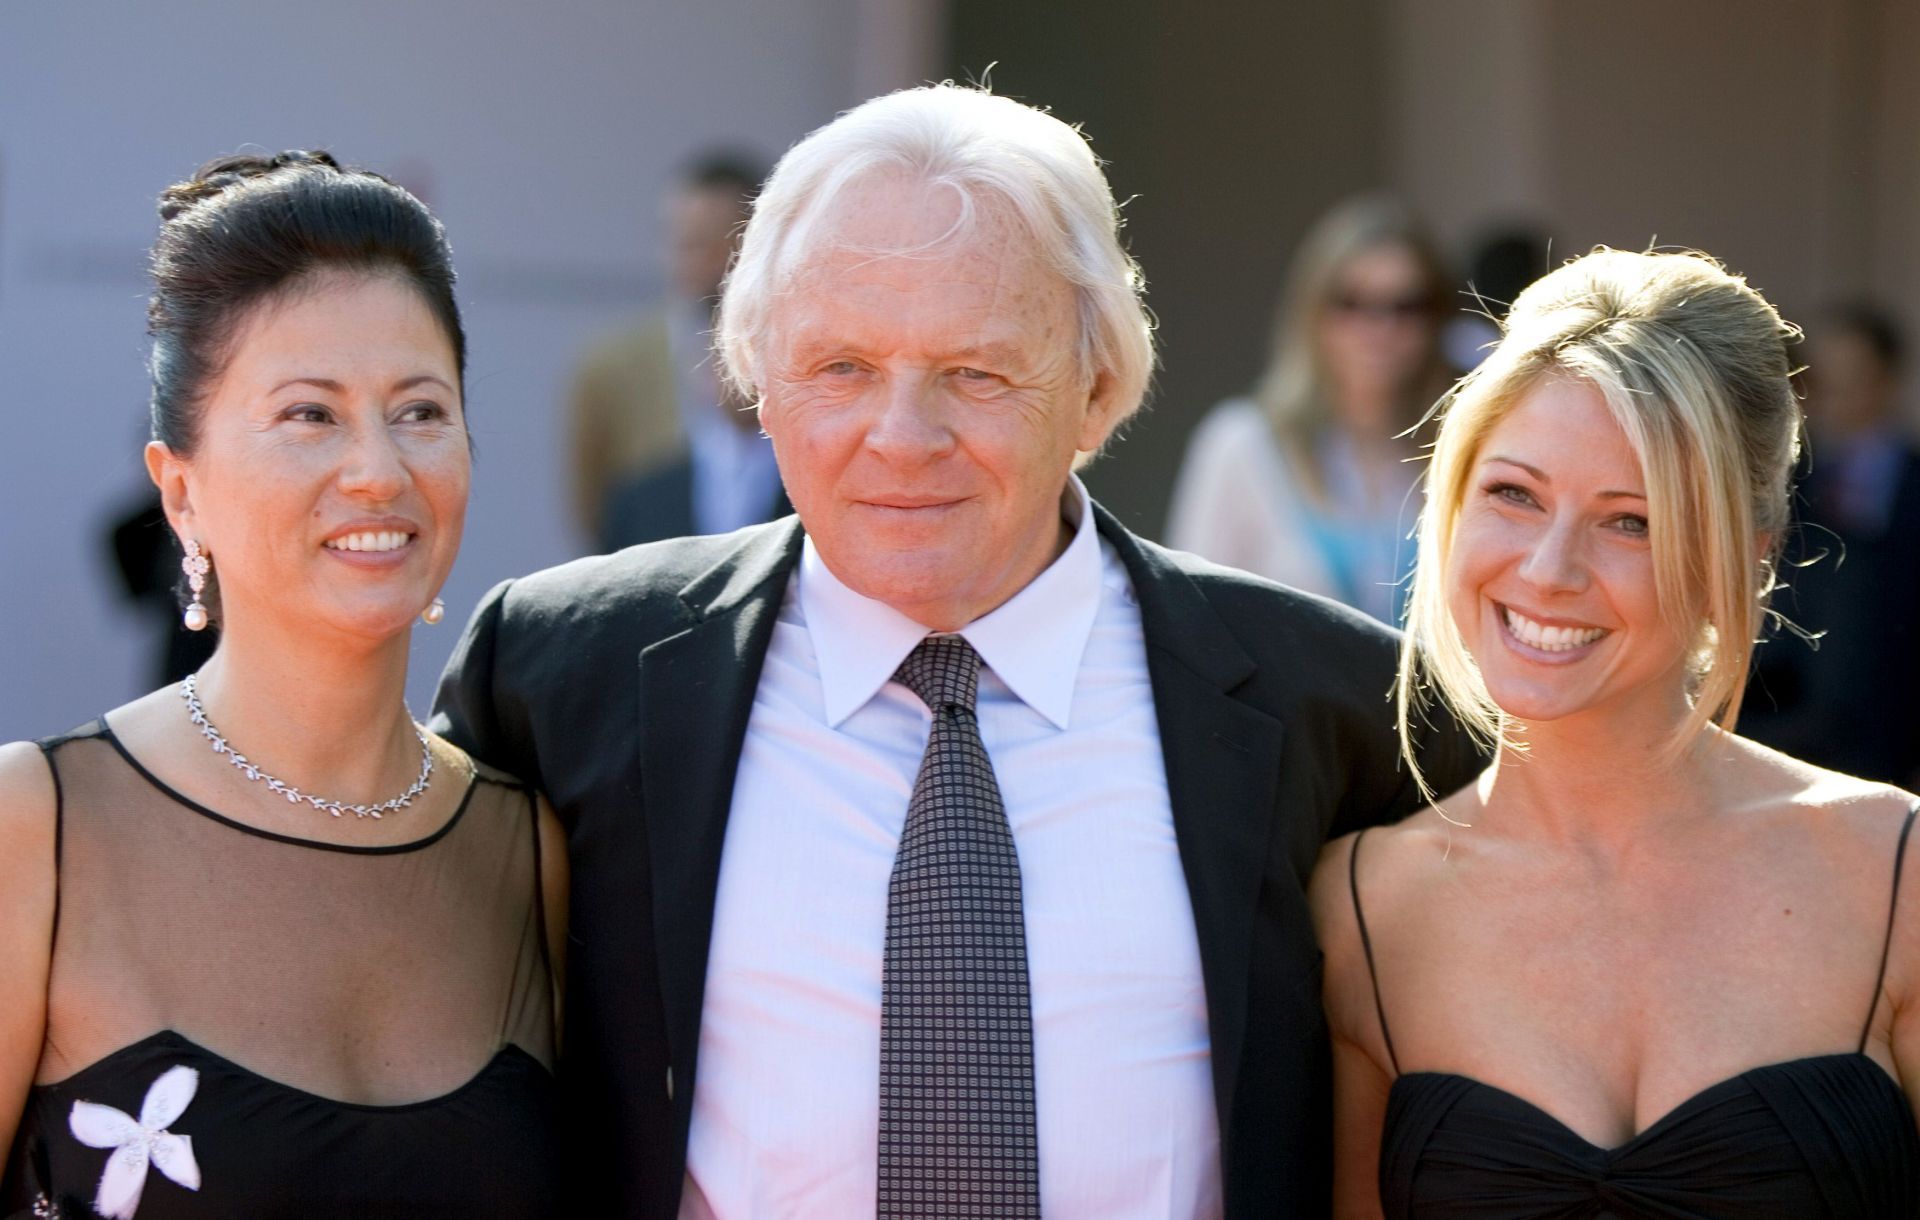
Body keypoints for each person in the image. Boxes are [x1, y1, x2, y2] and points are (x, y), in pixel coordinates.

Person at [432, 85, 1480, 1218]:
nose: (901, 437)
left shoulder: (1345, 710)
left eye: (975, 373)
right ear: (758, 386)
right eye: (839, 368)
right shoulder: (560, 678)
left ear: (1095, 386)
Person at [0, 152, 566, 1219]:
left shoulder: (527, 851)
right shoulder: (39, 830)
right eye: (310, 413)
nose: (378, 470)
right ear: (181, 491)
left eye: (421, 410)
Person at [1311, 249, 1920, 1217]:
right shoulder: (1362, 906)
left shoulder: (1894, 871)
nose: (1549, 569)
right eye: (1514, 493)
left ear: (1744, 557)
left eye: (1630, 520)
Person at [1166, 194, 1455, 624]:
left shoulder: (1455, 446)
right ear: (1312, 312)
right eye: (1352, 303)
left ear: (1437, 318)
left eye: (1405, 306)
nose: (1379, 328)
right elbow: (1185, 615)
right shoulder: (1243, 443)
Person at [568, 150, 787, 553]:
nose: (705, 260)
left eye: (721, 242)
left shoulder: (804, 353)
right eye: (686, 242)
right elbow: (594, 513)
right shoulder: (613, 366)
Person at [1744, 303, 1920, 786]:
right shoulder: (1787, 486)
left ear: (1887, 379)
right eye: (1825, 378)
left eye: (1856, 377)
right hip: (1793, 731)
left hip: (1887, 733)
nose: (1838, 395)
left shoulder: (1910, 484)